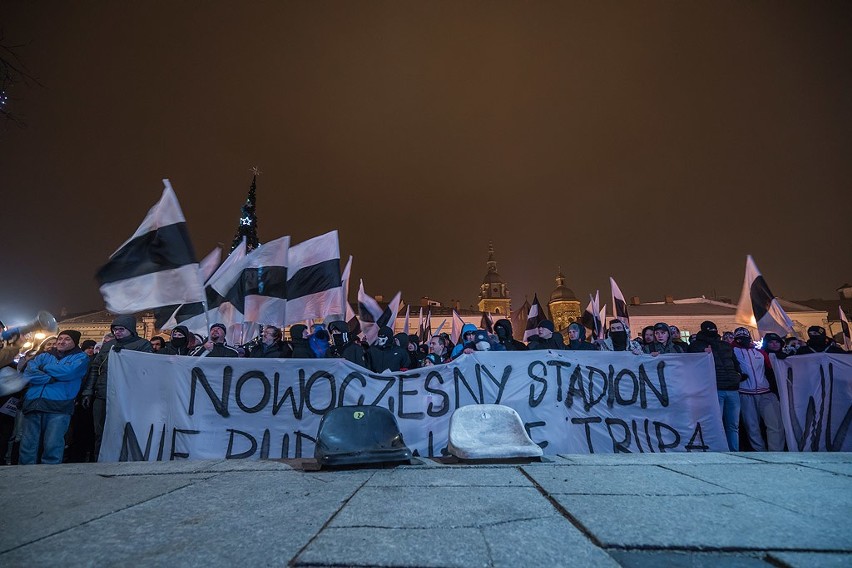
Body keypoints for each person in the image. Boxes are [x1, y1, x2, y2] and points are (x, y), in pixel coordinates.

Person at [82, 315, 153, 458]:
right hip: (103, 393)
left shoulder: (142, 344)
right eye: (115, 329)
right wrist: (88, 391)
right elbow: (96, 367)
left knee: (122, 430)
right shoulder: (109, 345)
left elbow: (146, 369)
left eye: (121, 329)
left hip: (127, 396)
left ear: (131, 330)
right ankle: (99, 459)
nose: (117, 332)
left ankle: (122, 459)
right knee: (100, 431)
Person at [19, 330, 89, 464]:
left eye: (67, 339)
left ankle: (50, 476)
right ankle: (25, 475)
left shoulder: (81, 358)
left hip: (58, 406)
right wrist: (50, 378)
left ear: (75, 342)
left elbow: (69, 372)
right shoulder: (43, 355)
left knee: (53, 445)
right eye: (60, 338)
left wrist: (44, 367)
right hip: (34, 403)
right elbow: (29, 373)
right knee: (27, 445)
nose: (62, 341)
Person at [688, 321, 743, 451]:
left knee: (733, 425)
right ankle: (718, 450)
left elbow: (735, 363)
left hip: (732, 388)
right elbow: (692, 364)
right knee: (716, 424)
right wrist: (702, 352)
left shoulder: (725, 345)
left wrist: (738, 376)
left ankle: (734, 451)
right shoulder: (696, 346)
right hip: (715, 389)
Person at [731, 327, 784, 451]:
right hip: (745, 392)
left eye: (745, 337)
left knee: (775, 424)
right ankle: (760, 451)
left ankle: (776, 451)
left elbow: (771, 368)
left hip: (765, 391)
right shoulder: (732, 351)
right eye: (739, 338)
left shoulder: (760, 352)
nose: (742, 340)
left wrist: (779, 356)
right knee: (752, 426)